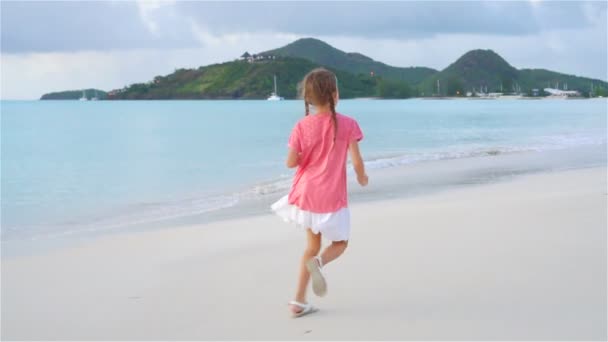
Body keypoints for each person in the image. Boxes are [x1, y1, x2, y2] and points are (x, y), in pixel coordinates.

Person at [271, 68, 368, 318]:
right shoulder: (348, 124)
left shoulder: (302, 126)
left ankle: (298, 301)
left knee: (311, 246)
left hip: (306, 196)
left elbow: (291, 162)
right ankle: (320, 265)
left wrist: (308, 155)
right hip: (331, 198)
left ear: (308, 99)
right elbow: (356, 162)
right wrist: (362, 177)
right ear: (335, 95)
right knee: (340, 243)